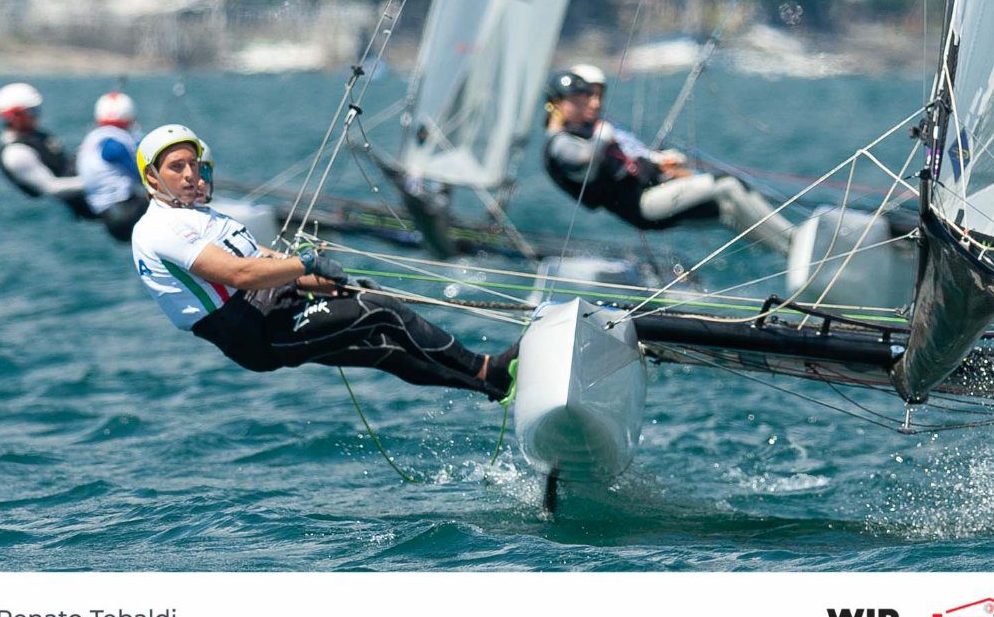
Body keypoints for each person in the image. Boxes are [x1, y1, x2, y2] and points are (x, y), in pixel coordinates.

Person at [129, 124, 518, 401]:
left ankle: (489, 386)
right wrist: (305, 264)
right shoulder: (159, 227)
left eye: (194, 165)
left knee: (385, 348)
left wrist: (331, 283)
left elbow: (267, 261)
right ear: (152, 178)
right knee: (381, 311)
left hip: (276, 309)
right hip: (253, 331)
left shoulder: (205, 218)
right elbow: (240, 274)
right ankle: (486, 368)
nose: (190, 175)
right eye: (177, 167)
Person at [542, 64, 792, 252]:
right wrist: (602, 137)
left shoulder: (584, 132)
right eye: (576, 102)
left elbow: (627, 159)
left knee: (727, 209)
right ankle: (792, 240)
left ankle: (788, 251)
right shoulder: (559, 143)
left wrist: (658, 161)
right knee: (727, 184)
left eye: (584, 100)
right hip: (644, 205)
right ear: (555, 104)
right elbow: (583, 158)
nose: (587, 106)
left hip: (653, 195)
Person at [0, 82, 96, 221]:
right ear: (15, 116)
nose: (38, 115)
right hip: (85, 204)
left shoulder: (36, 136)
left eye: (38, 109)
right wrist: (99, 180)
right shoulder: (16, 153)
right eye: (32, 111)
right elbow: (52, 188)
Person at [78, 90, 146, 243]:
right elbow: (142, 176)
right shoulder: (113, 143)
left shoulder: (94, 138)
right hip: (123, 213)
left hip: (107, 215)